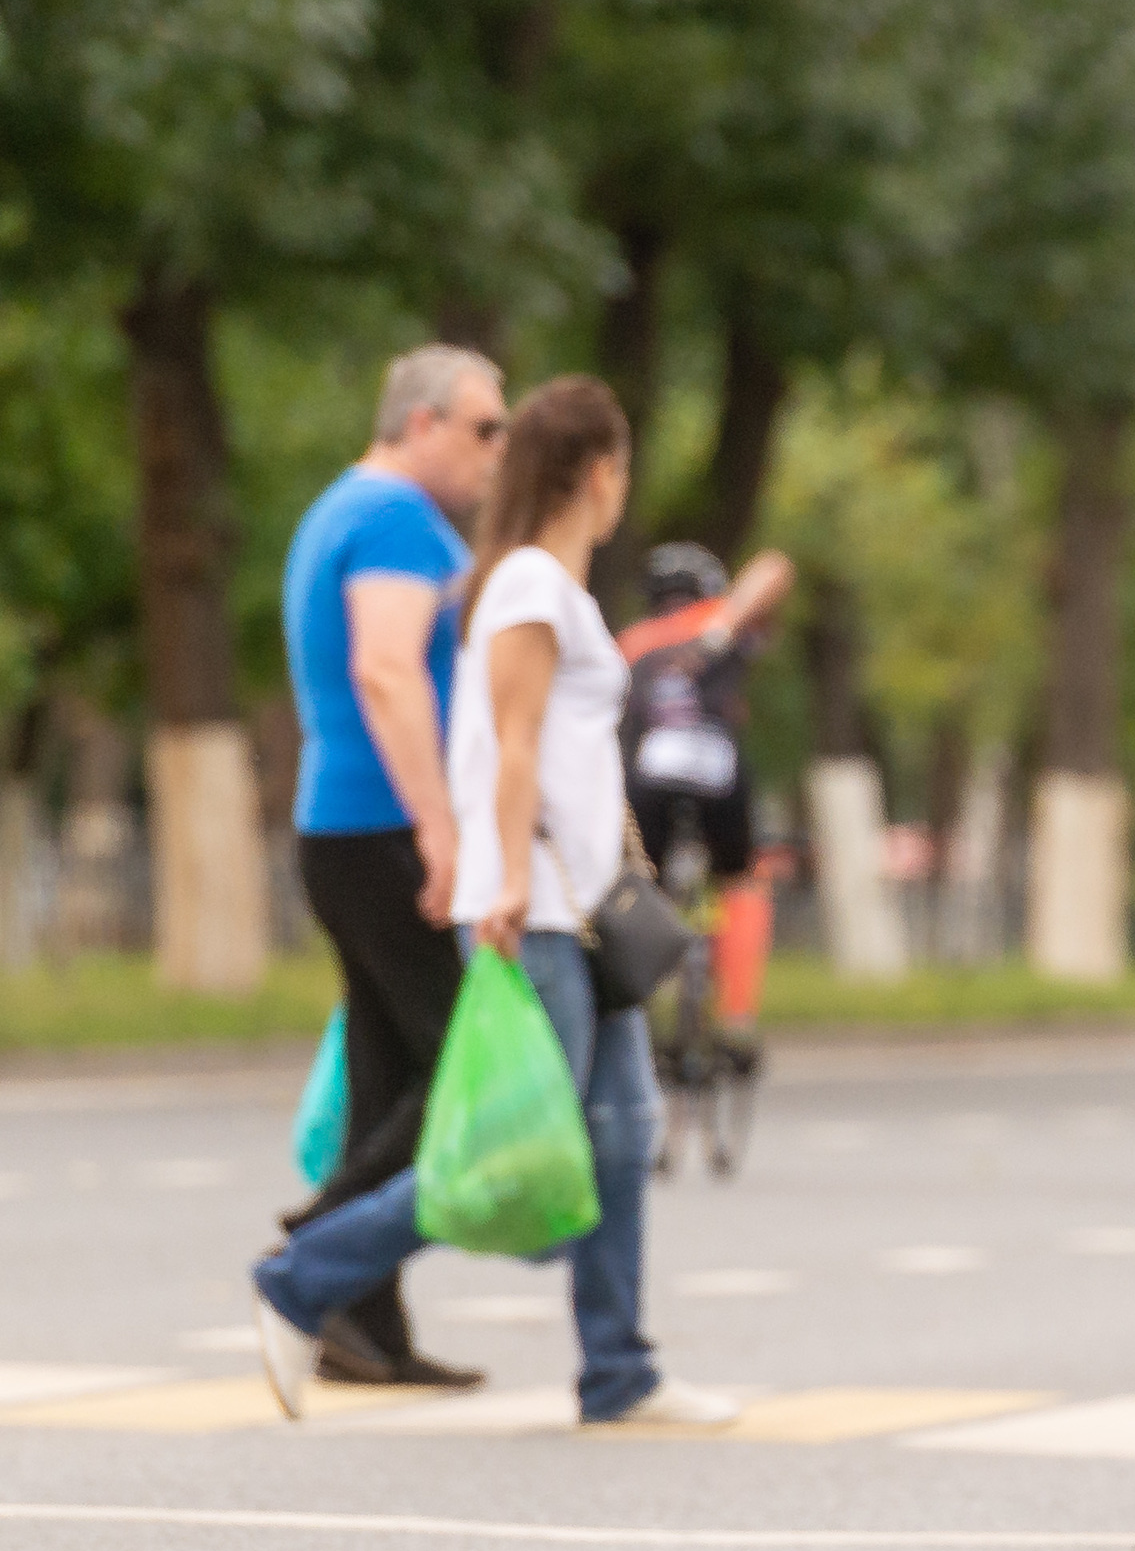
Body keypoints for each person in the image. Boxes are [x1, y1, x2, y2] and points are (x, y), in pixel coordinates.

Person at [251, 378, 736, 1429]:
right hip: (544, 910)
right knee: (509, 1147)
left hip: (585, 906)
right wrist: (509, 879)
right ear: (599, 471)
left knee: (619, 1132)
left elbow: (561, 752)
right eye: (622, 471)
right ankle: (303, 1276)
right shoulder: (526, 583)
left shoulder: (544, 584)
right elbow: (511, 746)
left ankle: (620, 1369)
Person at [278, 344, 508, 1390]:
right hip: (383, 829)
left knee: (388, 1075)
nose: (495, 453)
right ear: (422, 423)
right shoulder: (395, 520)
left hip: (344, 826)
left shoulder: (341, 506)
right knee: (460, 1065)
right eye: (484, 429)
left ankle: (363, 1328)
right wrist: (439, 825)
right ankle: (316, 1248)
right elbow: (384, 665)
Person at [617, 541, 798, 1060]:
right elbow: (774, 568)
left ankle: (635, 1005)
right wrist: (723, 629)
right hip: (719, 777)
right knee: (742, 877)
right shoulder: (722, 618)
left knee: (640, 886)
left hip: (641, 785)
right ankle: (736, 1017)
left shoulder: (630, 642)